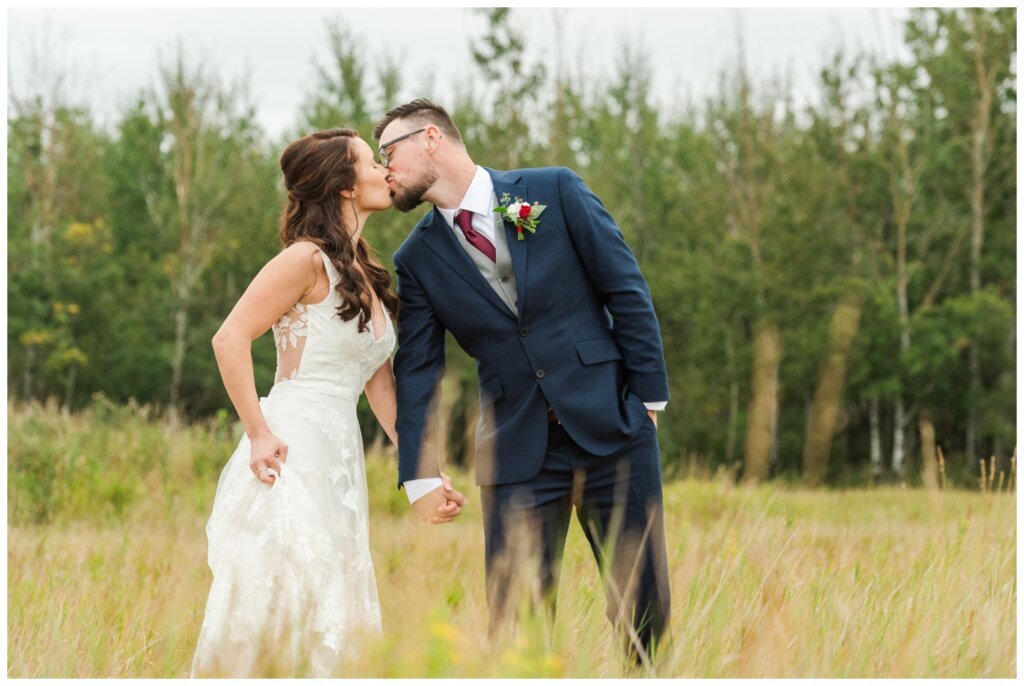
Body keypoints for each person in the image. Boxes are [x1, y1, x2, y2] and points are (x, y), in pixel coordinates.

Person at [377, 99, 671, 661]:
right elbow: (418, 369)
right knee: (515, 626)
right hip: (515, 453)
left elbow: (625, 289)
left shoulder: (553, 190)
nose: (384, 168)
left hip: (614, 427)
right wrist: (419, 473)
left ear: (431, 138)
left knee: (642, 609)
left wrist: (648, 397)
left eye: (390, 152)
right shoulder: (415, 257)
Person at [190, 128, 466, 677]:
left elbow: (380, 385)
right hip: (290, 451)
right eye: (371, 162)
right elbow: (230, 338)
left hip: (339, 459)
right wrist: (259, 432)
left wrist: (424, 471)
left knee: (335, 601)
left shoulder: (364, 269)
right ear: (343, 186)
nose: (385, 172)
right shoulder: (304, 260)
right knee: (285, 597)